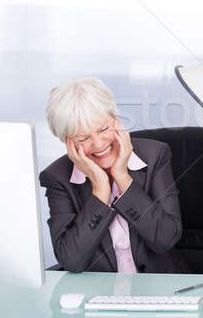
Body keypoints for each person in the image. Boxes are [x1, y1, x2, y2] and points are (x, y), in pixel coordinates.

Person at [40, 77, 189, 273]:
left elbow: (165, 239)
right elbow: (72, 261)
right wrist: (100, 188)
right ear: (67, 142)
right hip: (98, 296)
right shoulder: (57, 178)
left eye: (103, 129)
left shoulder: (155, 156)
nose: (99, 143)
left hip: (161, 289)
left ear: (115, 120)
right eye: (83, 138)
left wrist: (122, 178)